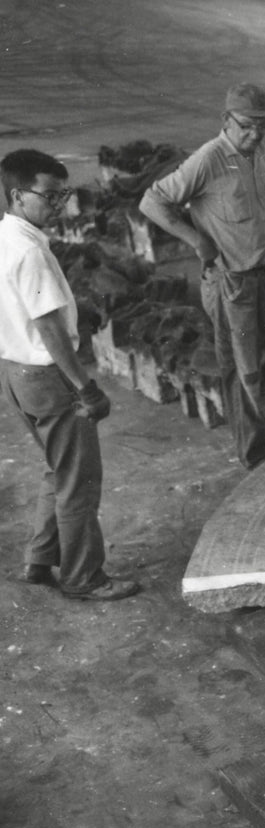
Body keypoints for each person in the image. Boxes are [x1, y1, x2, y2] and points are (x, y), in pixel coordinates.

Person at [139, 83, 265, 470]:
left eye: (263, 127)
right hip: (233, 285)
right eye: (246, 126)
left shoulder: (253, 156)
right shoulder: (208, 159)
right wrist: (194, 239)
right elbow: (152, 201)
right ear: (226, 120)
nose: (255, 135)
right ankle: (254, 456)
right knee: (245, 372)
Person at [0, 149, 140, 601]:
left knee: (57, 469)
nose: (60, 205)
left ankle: (39, 561)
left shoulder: (6, 239)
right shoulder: (28, 253)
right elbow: (48, 328)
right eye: (50, 196)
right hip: (46, 376)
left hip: (14, 372)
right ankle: (83, 577)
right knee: (79, 479)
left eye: (63, 195)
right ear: (19, 195)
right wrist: (85, 385)